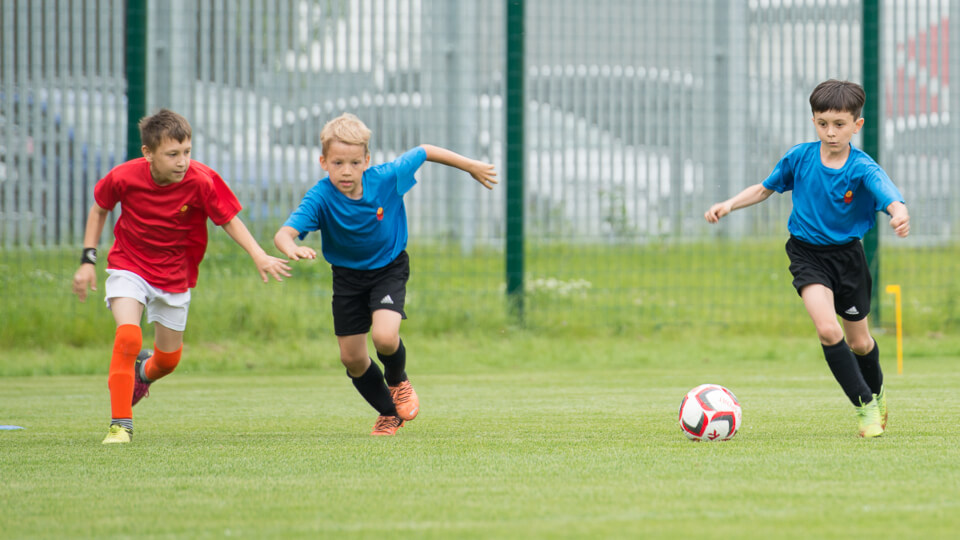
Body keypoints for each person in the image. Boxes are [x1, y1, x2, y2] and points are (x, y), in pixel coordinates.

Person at [704, 79, 910, 438]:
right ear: (814, 121)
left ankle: (877, 395)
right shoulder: (799, 157)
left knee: (860, 343)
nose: (830, 132)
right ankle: (864, 406)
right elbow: (764, 188)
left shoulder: (862, 168)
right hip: (806, 254)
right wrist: (730, 204)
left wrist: (899, 212)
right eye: (823, 123)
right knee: (828, 330)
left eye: (839, 124)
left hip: (848, 259)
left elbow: (887, 193)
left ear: (857, 125)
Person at [72, 108, 291, 444]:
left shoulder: (201, 180)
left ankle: (143, 372)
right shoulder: (124, 176)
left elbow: (228, 219)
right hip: (129, 265)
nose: (182, 162)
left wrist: (258, 254)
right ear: (148, 153)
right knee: (128, 336)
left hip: (175, 275)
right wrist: (88, 259)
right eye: (172, 154)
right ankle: (120, 425)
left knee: (168, 361)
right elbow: (100, 208)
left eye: (187, 152)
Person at [273, 113, 497, 436]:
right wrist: (290, 246)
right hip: (347, 278)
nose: (346, 171)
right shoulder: (320, 197)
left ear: (367, 160)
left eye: (354, 162)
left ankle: (397, 380)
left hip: (388, 269)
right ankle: (389, 413)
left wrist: (471, 166)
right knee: (352, 359)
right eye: (337, 163)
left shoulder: (387, 178)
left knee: (385, 337)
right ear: (323, 162)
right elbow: (284, 233)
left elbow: (425, 151)